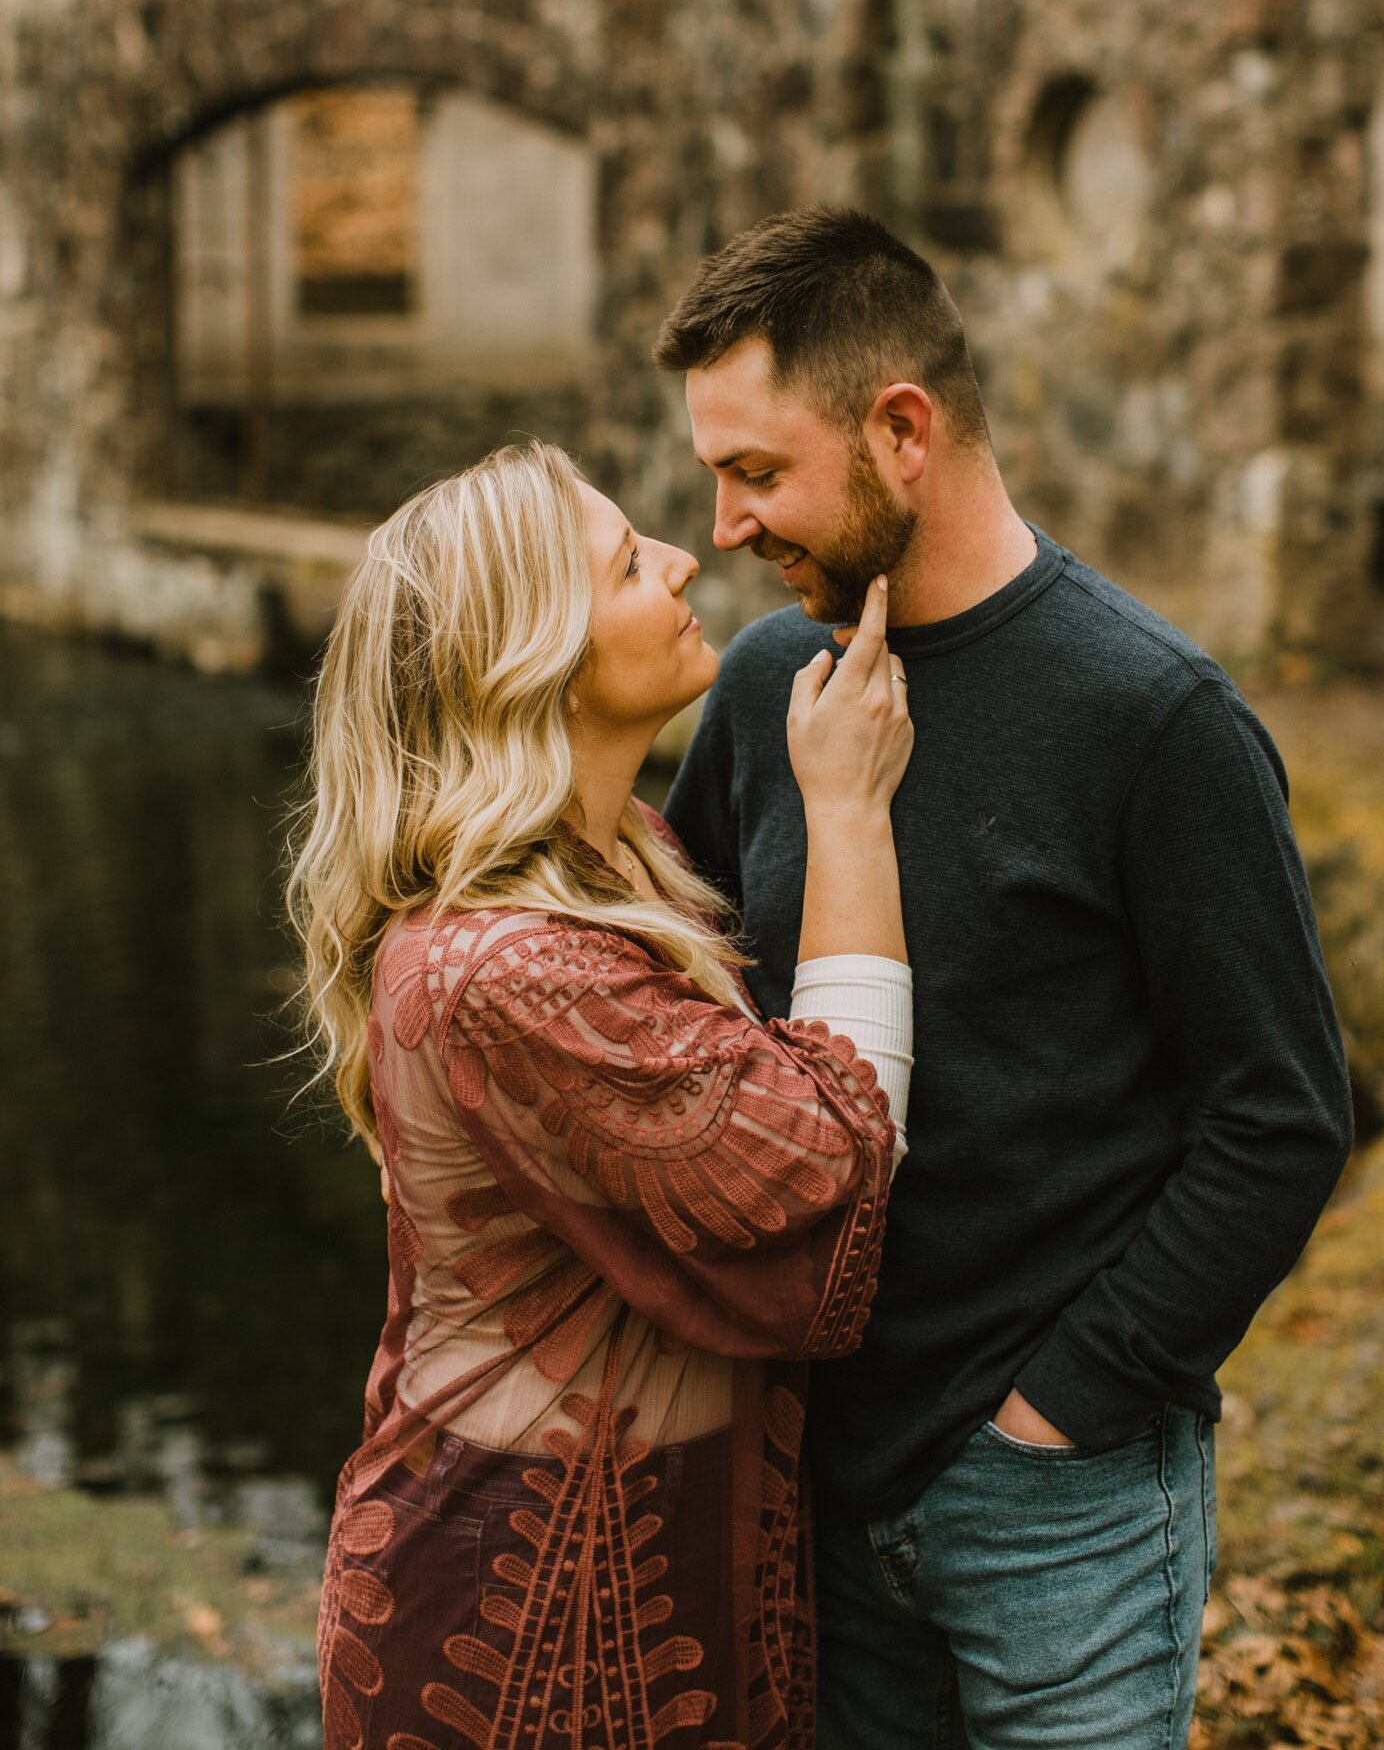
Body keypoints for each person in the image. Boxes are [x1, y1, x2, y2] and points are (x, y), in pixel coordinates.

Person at [657, 207, 1355, 1750]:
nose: (722, 526)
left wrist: (1062, 1413)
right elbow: (669, 1001)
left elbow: (1281, 1117)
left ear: (901, 430)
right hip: (814, 1476)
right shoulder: (778, 684)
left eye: (756, 472)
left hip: (1065, 1502)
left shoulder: (1156, 720)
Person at [288, 440, 916, 1750]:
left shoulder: (622, 856)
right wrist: (849, 814)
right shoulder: (508, 969)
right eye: (630, 564)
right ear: (536, 662)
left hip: (645, 1572)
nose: (686, 558)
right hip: (511, 1621)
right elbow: (819, 1177)